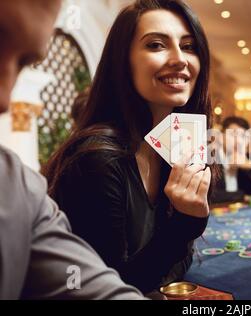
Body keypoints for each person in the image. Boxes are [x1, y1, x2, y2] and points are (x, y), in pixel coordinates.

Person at [44, 0, 213, 294]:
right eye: (157, 45)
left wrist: (184, 226)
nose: (180, 59)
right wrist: (186, 222)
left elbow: (173, 267)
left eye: (188, 46)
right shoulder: (97, 158)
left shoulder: (174, 146)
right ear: (123, 62)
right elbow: (110, 288)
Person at [0, 0, 145, 299]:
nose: (5, 100)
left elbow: (96, 289)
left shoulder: (17, 187)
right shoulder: (97, 156)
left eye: (24, 62)